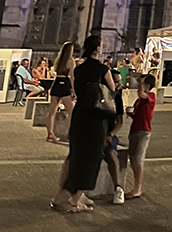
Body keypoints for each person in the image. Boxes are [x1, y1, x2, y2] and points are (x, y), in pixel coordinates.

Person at [65, 35, 115, 212]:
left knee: (77, 154)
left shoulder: (79, 69)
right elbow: (112, 91)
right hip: (95, 117)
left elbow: (76, 89)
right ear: (98, 49)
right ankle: (75, 201)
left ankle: (71, 194)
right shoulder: (102, 69)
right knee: (92, 157)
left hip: (80, 114)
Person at [125, 73, 157, 199]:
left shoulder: (151, 96)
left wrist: (140, 85)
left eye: (141, 83)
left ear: (147, 86)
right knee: (133, 159)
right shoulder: (140, 100)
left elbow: (141, 94)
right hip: (135, 129)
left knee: (138, 159)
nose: (139, 85)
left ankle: (137, 188)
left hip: (144, 131)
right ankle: (136, 186)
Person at [103, 69, 126, 205]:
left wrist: (110, 134)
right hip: (96, 132)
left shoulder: (117, 97)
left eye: (119, 82)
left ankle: (118, 188)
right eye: (116, 82)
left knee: (111, 154)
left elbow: (120, 121)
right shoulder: (99, 94)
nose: (119, 85)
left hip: (110, 132)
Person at [46, 42, 76, 143]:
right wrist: (74, 91)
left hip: (56, 83)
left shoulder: (58, 60)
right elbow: (72, 77)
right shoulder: (70, 61)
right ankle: (69, 133)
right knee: (71, 111)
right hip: (65, 85)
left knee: (52, 112)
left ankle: (50, 133)